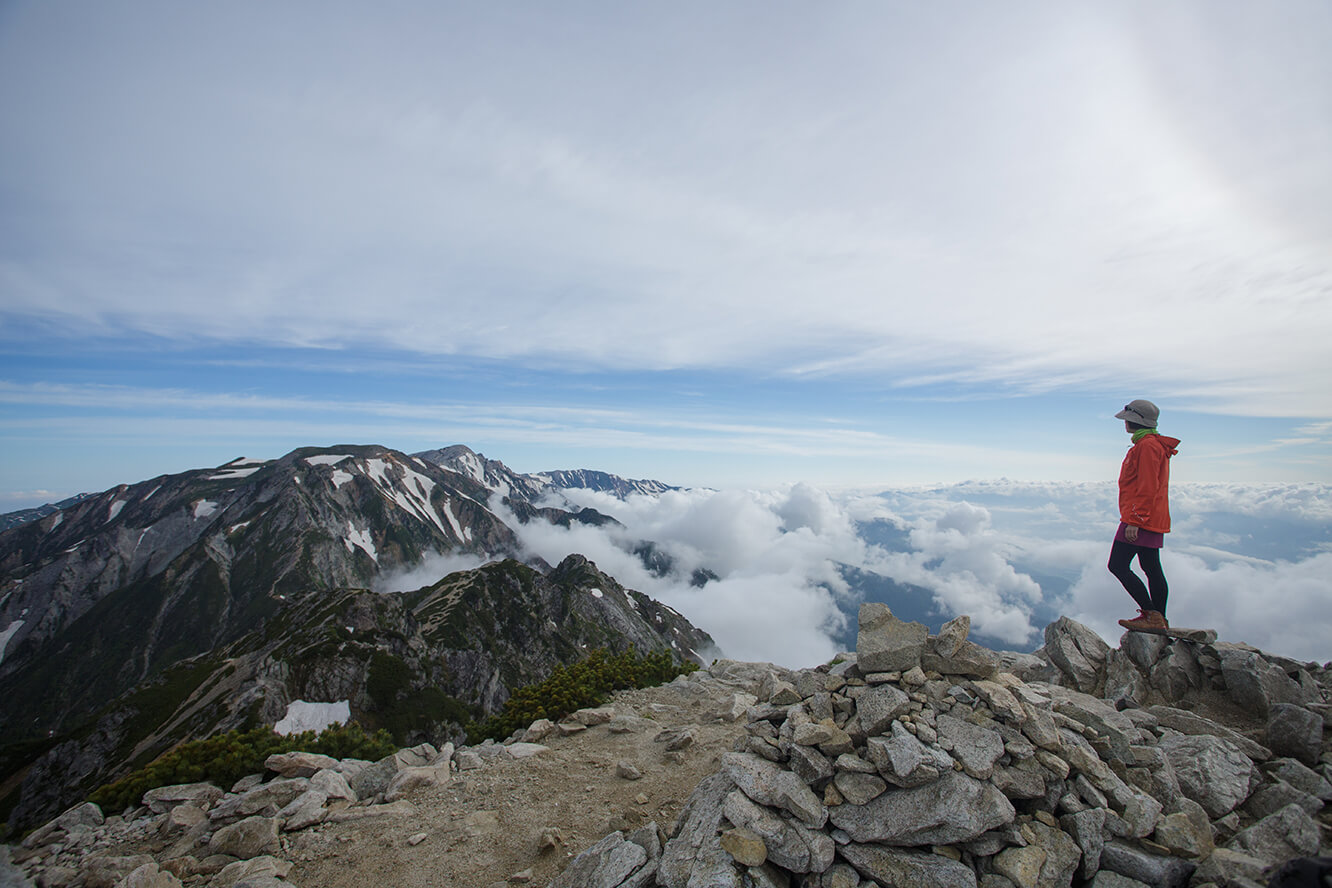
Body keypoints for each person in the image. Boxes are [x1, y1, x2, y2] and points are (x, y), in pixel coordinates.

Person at [1109, 399, 1181, 631]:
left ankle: (1152, 614)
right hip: (1150, 517)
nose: (1124, 424)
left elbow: (1147, 486)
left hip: (1141, 518)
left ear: (1134, 420)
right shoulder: (1151, 445)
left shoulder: (1147, 447)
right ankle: (1159, 619)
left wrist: (1134, 521)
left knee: (1117, 565)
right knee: (1151, 567)